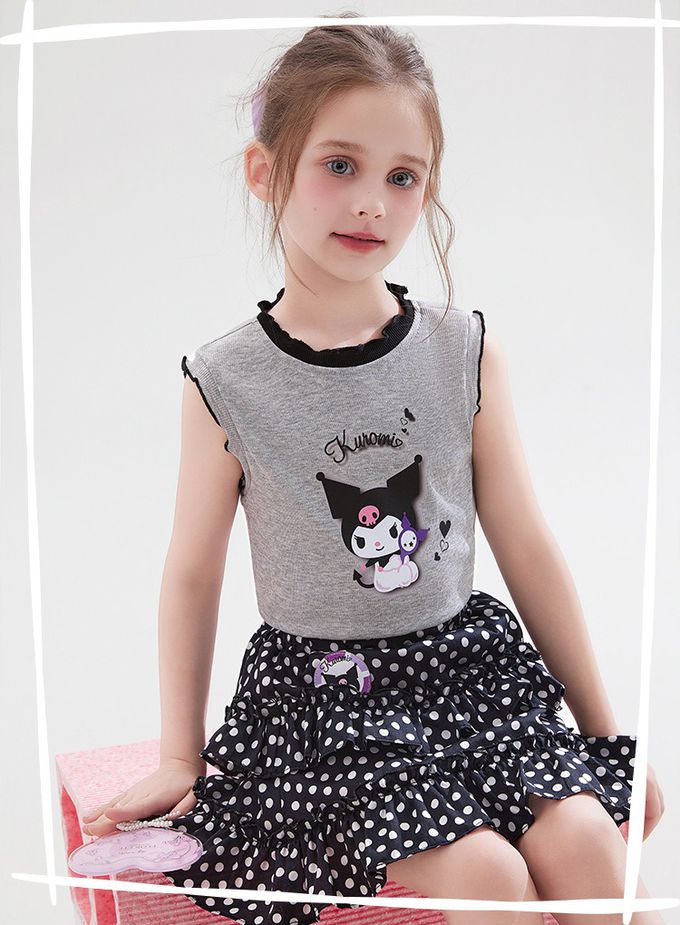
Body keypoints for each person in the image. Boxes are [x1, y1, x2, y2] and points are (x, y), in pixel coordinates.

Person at [80, 13, 665, 925]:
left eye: (403, 177)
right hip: (331, 703)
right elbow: (192, 573)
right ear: (265, 172)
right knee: (491, 875)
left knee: (590, 840)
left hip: (467, 677)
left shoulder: (461, 349)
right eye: (339, 165)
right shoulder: (227, 380)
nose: (371, 204)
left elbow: (526, 543)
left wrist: (601, 730)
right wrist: (180, 756)